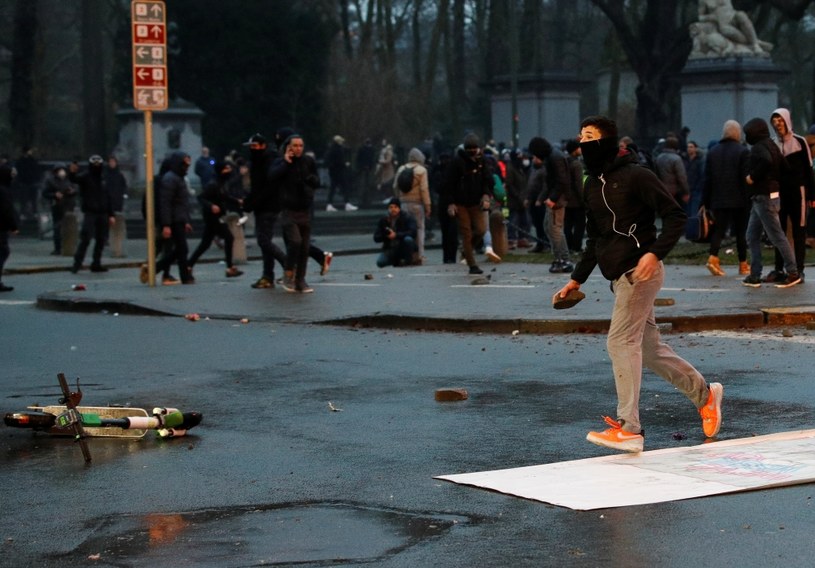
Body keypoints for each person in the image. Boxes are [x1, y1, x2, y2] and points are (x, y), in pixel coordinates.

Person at [554, 115, 723, 453]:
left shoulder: (637, 175)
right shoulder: (591, 183)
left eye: (589, 136)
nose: (582, 141)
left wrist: (654, 253)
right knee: (648, 349)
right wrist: (576, 279)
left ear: (606, 141)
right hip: (619, 277)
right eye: (580, 136)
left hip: (640, 273)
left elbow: (675, 216)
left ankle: (630, 428)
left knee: (619, 342)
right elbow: (595, 238)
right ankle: (705, 395)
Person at [741, 117, 801, 288]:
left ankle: (792, 272)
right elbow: (785, 167)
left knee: (776, 236)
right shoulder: (772, 145)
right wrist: (775, 180)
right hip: (770, 195)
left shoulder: (759, 148)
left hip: (762, 196)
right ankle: (754, 274)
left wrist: (753, 177)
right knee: (752, 236)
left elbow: (766, 161)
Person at [765, 108, 815, 283]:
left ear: (787, 121)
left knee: (799, 230)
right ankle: (779, 269)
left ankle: (799, 270)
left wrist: (812, 196)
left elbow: (809, 171)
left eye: (780, 121)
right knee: (779, 231)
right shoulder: (772, 144)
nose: (777, 125)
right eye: (774, 121)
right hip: (779, 193)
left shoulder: (800, 142)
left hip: (798, 193)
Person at [268, 133, 320, 293]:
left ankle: (301, 280)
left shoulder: (308, 161)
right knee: (295, 241)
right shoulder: (281, 162)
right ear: (288, 147)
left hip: (304, 208)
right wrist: (285, 162)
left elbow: (317, 181)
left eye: (300, 146)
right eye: (295, 146)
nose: (298, 149)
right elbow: (272, 176)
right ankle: (289, 272)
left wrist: (310, 181)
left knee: (304, 247)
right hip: (288, 209)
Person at [703, 120, 751, 277]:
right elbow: (745, 179)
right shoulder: (743, 151)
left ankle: (713, 257)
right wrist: (748, 200)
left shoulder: (713, 152)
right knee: (740, 233)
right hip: (739, 199)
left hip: (719, 199)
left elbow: (707, 179)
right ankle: (743, 264)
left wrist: (705, 201)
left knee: (719, 230)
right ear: (738, 133)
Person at [442, 133, 494, 275]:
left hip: (476, 201)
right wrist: (451, 203)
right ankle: (472, 265)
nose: (472, 151)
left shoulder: (482, 161)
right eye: (469, 148)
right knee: (466, 233)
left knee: (481, 230)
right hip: (460, 203)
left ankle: (467, 251)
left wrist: (485, 195)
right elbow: (448, 184)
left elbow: (487, 180)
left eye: (474, 148)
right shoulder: (457, 162)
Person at [243, 132, 286, 289]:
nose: (252, 149)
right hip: (265, 205)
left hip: (268, 206)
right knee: (265, 240)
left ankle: (286, 264)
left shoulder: (265, 162)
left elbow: (264, 187)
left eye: (255, 146)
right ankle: (268, 275)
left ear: (263, 146)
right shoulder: (260, 161)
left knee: (263, 240)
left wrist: (251, 203)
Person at [188, 161, 244, 279]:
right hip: (213, 218)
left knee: (205, 244)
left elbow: (224, 196)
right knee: (229, 237)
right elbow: (201, 197)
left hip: (214, 217)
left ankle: (189, 265)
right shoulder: (213, 184)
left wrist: (237, 201)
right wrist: (211, 206)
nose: (228, 171)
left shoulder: (221, 184)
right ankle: (229, 267)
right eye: (226, 169)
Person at [529, 136, 573, 273]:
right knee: (550, 228)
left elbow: (561, 180)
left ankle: (563, 259)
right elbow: (550, 181)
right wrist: (543, 197)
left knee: (555, 229)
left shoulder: (554, 157)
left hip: (557, 198)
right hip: (555, 196)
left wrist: (552, 198)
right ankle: (560, 258)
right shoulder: (552, 156)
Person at [70, 155, 116, 273]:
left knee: (101, 240)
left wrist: (111, 214)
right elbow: (74, 179)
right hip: (91, 212)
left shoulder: (103, 178)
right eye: (94, 164)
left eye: (98, 164)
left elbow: (108, 196)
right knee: (85, 238)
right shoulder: (85, 176)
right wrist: (72, 172)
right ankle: (77, 263)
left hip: (103, 212)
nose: (97, 167)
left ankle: (96, 263)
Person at [156, 151, 195, 285]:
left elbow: (182, 203)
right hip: (174, 219)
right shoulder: (172, 179)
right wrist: (166, 224)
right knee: (181, 249)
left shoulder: (176, 178)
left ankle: (158, 268)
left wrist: (186, 220)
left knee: (180, 249)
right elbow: (166, 203)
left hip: (178, 218)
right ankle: (183, 276)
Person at [393, 148, 431, 261]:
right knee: (419, 228)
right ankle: (419, 254)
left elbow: (395, 186)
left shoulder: (401, 168)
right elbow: (424, 189)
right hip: (417, 204)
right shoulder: (422, 170)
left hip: (403, 203)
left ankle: (405, 254)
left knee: (403, 229)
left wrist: (398, 199)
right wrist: (428, 205)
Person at [41, 164, 77, 255]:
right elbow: (45, 193)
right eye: (59, 170)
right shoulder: (50, 181)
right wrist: (55, 195)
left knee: (68, 227)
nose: (62, 172)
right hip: (57, 206)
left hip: (68, 205)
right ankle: (58, 248)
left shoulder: (69, 180)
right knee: (57, 228)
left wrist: (72, 192)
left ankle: (69, 247)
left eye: (63, 170)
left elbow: (76, 189)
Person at [373, 197, 418, 267]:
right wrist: (386, 236)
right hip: (390, 248)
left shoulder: (407, 217)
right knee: (380, 262)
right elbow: (376, 237)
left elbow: (413, 232)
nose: (393, 209)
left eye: (395, 207)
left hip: (402, 245)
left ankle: (407, 260)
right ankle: (396, 261)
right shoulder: (384, 220)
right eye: (391, 207)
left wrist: (396, 235)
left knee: (408, 240)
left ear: (399, 208)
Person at [563, 139, 586, 253]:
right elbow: (578, 183)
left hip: (567, 200)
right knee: (579, 225)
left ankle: (568, 245)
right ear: (574, 150)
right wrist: (583, 200)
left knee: (567, 225)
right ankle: (576, 246)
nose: (580, 150)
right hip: (577, 201)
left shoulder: (565, 162)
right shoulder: (576, 164)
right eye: (579, 148)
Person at [654, 136, 690, 206]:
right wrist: (686, 192)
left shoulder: (659, 157)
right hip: (675, 192)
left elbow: (656, 174)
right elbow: (681, 177)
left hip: (662, 189)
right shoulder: (676, 159)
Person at [324, 135, 357, 211]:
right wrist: (345, 164)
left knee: (333, 188)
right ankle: (347, 203)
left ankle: (329, 204)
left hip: (333, 172)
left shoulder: (331, 149)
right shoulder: (338, 150)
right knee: (345, 187)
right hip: (339, 171)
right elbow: (339, 161)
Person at [0, 164, 19, 292]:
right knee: (3, 252)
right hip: (1, 227)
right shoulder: (4, 190)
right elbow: (7, 210)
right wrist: (13, 226)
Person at [104, 155, 128, 258]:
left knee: (117, 223)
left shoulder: (119, 175)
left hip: (118, 202)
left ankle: (116, 246)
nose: (112, 164)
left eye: (113, 162)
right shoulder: (105, 175)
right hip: (107, 202)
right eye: (110, 162)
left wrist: (123, 195)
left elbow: (124, 187)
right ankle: (108, 241)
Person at [355, 138, 377, 207]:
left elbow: (358, 159)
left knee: (362, 183)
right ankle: (367, 199)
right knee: (367, 184)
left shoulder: (361, 149)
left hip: (362, 168)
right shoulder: (372, 150)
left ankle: (362, 198)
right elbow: (372, 159)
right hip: (369, 168)